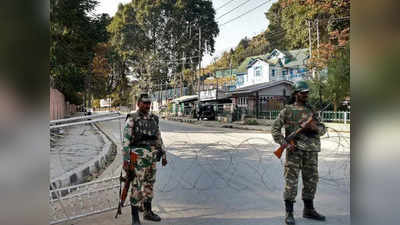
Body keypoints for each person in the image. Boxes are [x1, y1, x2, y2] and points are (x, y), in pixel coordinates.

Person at [271, 81, 327, 225]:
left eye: (307, 93)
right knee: (291, 182)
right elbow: (275, 130)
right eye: (303, 93)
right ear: (296, 94)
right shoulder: (287, 111)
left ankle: (309, 210)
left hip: (311, 151)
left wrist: (314, 128)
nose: (306, 95)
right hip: (294, 151)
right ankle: (289, 213)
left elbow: (323, 129)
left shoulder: (312, 110)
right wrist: (284, 144)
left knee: (311, 181)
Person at [122, 92, 168, 225]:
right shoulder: (132, 119)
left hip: (152, 158)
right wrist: (126, 160)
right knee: (136, 186)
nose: (147, 105)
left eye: (149, 103)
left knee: (149, 184)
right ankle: (135, 218)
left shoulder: (154, 119)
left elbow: (158, 138)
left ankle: (148, 212)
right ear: (138, 104)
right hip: (137, 159)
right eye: (144, 103)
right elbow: (125, 142)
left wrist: (163, 154)